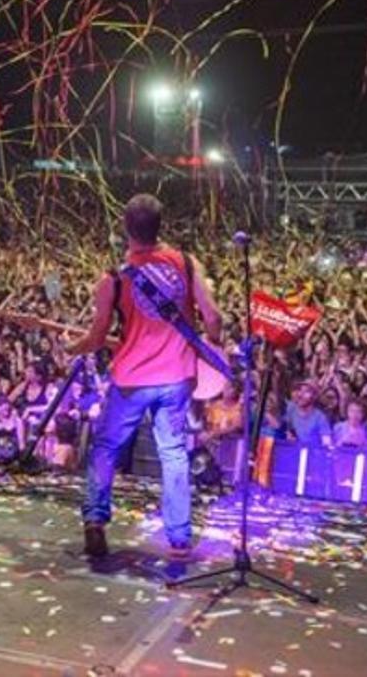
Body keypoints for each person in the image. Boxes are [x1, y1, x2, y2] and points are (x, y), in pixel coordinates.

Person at [65, 193, 222, 560]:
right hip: (177, 379)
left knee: (106, 448)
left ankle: (95, 522)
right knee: (173, 454)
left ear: (125, 228)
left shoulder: (113, 280)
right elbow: (213, 319)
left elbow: (97, 339)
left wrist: (73, 347)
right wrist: (212, 344)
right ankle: (180, 538)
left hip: (132, 380)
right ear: (161, 225)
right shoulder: (185, 263)